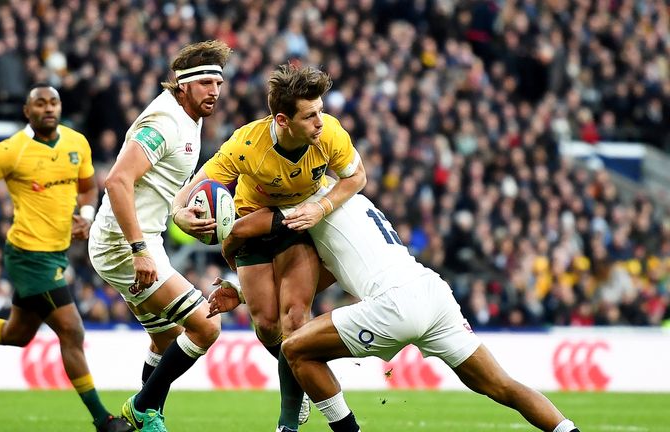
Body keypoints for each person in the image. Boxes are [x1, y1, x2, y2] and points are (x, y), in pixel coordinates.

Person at [208, 191, 582, 432]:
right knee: (503, 386)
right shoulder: (354, 199)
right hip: (432, 292)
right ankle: (568, 430)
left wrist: (228, 241)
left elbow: (248, 227)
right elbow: (319, 280)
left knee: (294, 349)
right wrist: (242, 293)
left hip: (395, 302)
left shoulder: (309, 192)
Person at [0, 83, 133, 432]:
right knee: (72, 329)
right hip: (29, 255)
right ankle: (103, 419)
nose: (48, 108)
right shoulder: (11, 150)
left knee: (18, 333)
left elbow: (89, 186)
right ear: (27, 112)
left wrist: (87, 214)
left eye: (53, 102)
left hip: (56, 253)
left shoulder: (77, 143)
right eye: (40, 103)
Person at [172, 64, 366, 432]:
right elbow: (196, 184)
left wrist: (320, 208)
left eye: (320, 111)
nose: (320, 122)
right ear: (283, 119)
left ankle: (286, 424)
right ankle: (304, 375)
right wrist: (179, 215)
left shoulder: (331, 136)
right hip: (252, 225)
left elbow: (358, 176)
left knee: (294, 316)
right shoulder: (247, 145)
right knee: (265, 325)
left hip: (299, 224)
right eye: (310, 116)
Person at [87, 40, 231, 432]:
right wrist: (138, 250)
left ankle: (148, 418)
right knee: (206, 326)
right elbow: (117, 182)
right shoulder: (165, 123)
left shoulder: (191, 121)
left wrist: (179, 214)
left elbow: (157, 188)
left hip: (141, 238)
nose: (214, 91)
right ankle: (142, 407)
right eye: (204, 82)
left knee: (167, 338)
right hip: (123, 244)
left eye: (218, 82)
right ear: (182, 85)